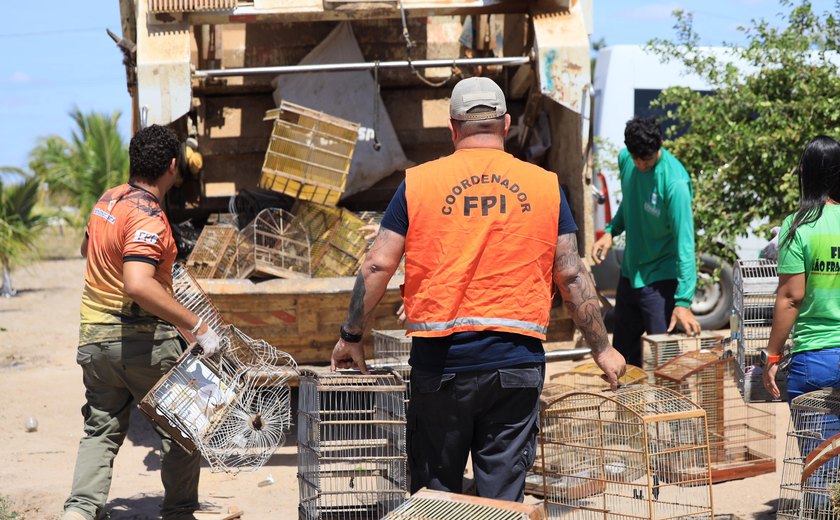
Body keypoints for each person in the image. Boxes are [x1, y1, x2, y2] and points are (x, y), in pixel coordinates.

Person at [331, 77, 626, 501]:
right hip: (516, 364)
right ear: (506, 125)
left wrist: (350, 336)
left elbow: (378, 263)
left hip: (441, 366)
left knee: (435, 497)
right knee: (501, 501)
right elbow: (573, 275)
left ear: (452, 128)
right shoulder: (546, 187)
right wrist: (602, 348)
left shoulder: (418, 183)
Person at [62, 125, 221, 520]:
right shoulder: (150, 217)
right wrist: (197, 326)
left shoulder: (108, 200)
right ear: (172, 166)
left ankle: (79, 511)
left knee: (101, 430)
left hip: (95, 340)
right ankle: (180, 511)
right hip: (143, 343)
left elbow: (88, 248)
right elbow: (137, 284)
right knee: (183, 428)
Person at [591, 116, 700, 368]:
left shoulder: (675, 183)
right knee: (622, 359)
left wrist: (683, 301)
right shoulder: (626, 159)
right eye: (636, 158)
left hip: (661, 279)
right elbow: (630, 202)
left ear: (659, 145)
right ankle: (628, 407)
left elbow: (685, 244)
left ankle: (669, 407)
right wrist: (611, 231)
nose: (640, 164)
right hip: (630, 274)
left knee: (665, 363)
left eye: (647, 159)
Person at [763, 135, 840, 403]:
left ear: (804, 173)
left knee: (820, 446)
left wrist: (773, 355)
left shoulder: (797, 225)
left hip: (815, 360)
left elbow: (791, 297)